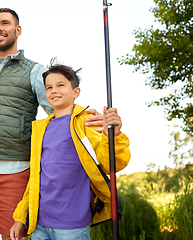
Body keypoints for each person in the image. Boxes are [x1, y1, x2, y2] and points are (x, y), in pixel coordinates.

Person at [0, 8, 103, 240]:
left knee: (13, 237)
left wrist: (86, 120)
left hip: (15, 171)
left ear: (17, 30)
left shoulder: (35, 71)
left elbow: (58, 111)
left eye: (5, 23)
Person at [9, 60, 131, 240]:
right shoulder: (42, 129)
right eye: (49, 87)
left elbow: (112, 164)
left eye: (61, 85)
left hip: (72, 225)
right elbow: (35, 179)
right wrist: (21, 217)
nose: (54, 90)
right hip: (39, 224)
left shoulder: (87, 123)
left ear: (76, 92)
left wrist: (113, 136)